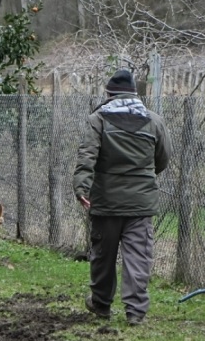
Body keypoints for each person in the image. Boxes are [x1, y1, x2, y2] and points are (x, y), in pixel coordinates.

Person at [72, 69, 171, 325]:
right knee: (138, 256)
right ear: (134, 94)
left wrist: (82, 188)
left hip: (106, 201)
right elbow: (162, 160)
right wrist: (142, 178)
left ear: (108, 94)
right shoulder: (154, 121)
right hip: (141, 202)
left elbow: (87, 156)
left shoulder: (98, 120)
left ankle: (101, 304)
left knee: (103, 255)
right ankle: (135, 312)